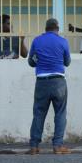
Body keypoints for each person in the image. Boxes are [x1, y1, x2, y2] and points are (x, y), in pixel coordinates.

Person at [27, 18, 71, 154]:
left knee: (38, 114)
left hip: (41, 82)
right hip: (59, 81)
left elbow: (31, 62)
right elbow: (67, 62)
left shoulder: (37, 41)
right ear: (57, 28)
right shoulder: (63, 41)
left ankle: (34, 146)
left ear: (46, 28)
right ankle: (57, 146)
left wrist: (40, 60)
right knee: (60, 114)